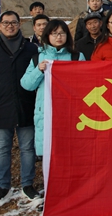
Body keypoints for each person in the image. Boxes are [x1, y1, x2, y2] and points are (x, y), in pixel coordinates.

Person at [0, 11, 38, 203]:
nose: (10, 26)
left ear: (19, 24)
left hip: (26, 105)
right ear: (0, 26)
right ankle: (3, 185)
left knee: (27, 148)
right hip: (0, 107)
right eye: (6, 23)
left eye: (13, 22)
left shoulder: (31, 49)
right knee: (3, 149)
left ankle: (27, 184)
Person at [21, 20, 84, 159]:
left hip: (70, 113)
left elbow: (85, 84)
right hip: (45, 113)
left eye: (62, 33)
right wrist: (38, 70)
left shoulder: (76, 57)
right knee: (49, 157)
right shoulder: (38, 58)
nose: (58, 37)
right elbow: (26, 84)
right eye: (54, 33)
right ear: (47, 36)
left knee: (70, 156)